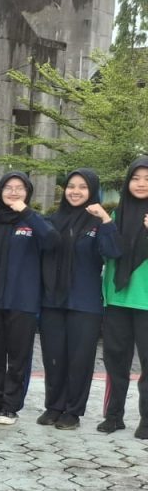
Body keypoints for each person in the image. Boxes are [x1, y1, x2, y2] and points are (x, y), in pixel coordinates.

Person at [0, 172, 57, 425]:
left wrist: (27, 213)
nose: (13, 192)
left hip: (23, 300)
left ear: (28, 192)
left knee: (19, 356)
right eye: (8, 187)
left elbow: (53, 241)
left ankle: (11, 406)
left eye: (20, 187)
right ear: (0, 192)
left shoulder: (35, 222)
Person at [38, 169, 118, 430]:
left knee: (80, 359)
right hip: (52, 300)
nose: (75, 191)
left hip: (85, 302)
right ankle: (54, 406)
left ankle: (73, 411)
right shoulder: (51, 220)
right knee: (54, 356)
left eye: (83, 187)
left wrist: (105, 219)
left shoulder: (98, 222)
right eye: (71, 186)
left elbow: (112, 251)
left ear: (92, 191)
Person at [101, 158, 148, 437]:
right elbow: (109, 252)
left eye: (147, 179)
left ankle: (147, 421)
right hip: (117, 299)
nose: (141, 184)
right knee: (115, 361)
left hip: (146, 303)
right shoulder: (116, 215)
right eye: (135, 178)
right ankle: (113, 416)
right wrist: (107, 224)